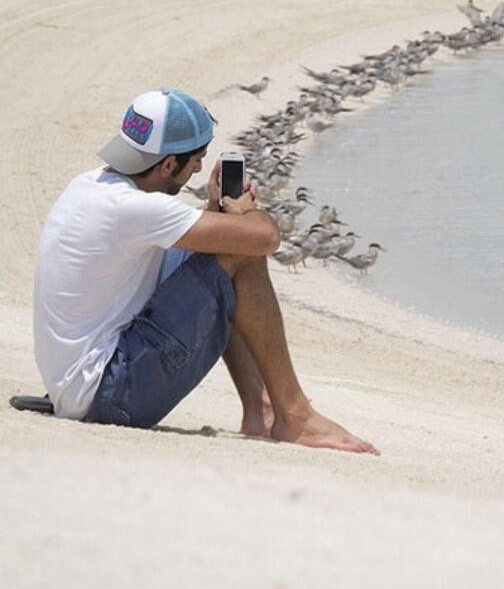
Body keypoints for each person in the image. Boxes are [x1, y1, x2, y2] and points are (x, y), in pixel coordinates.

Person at [33, 87, 378, 455]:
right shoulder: (135, 209)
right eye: (196, 158)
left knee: (219, 250)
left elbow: (179, 260)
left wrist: (214, 208)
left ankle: (259, 410)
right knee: (240, 253)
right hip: (113, 395)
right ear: (167, 165)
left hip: (77, 386)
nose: (199, 167)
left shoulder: (89, 186)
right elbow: (265, 238)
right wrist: (243, 210)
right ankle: (295, 416)